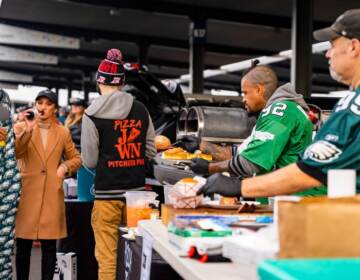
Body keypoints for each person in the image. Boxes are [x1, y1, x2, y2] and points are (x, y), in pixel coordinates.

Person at [197, 9, 360, 199]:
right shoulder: (351, 102)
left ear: (354, 47)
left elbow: (309, 172)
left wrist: (240, 187)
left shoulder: (352, 107)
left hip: (305, 206)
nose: (328, 54)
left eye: (332, 45)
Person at [187, 63, 325, 199]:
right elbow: (241, 153)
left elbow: (250, 163)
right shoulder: (277, 112)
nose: (243, 99)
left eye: (245, 93)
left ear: (259, 89)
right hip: (289, 196)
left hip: (299, 200)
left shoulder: (279, 112)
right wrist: (201, 145)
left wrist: (209, 168)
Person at [81, 49, 156, 280]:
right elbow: (150, 151)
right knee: (136, 256)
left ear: (99, 81)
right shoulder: (141, 110)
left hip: (106, 196)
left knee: (107, 258)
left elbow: (90, 161)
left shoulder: (91, 114)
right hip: (137, 198)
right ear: (122, 83)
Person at [14, 89, 82, 280]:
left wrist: (64, 167)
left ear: (54, 108)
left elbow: (77, 159)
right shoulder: (21, 127)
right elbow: (17, 153)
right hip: (28, 191)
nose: (43, 107)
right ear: (35, 105)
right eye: (40, 102)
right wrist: (28, 129)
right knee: (23, 245)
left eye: (48, 103)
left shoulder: (62, 132)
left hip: (52, 192)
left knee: (50, 246)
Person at [0, 89, 22, 280]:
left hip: (7, 186)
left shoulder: (3, 100)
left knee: (4, 250)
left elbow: (6, 150)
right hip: (8, 184)